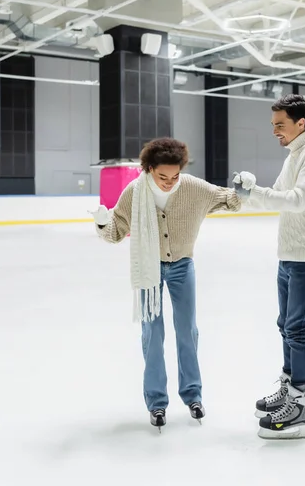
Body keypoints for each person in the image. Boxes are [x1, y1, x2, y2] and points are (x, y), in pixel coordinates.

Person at [90, 137, 241, 431]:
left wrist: (243, 189)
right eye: (163, 176)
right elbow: (115, 231)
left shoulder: (194, 188)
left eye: (175, 175)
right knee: (152, 333)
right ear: (147, 169)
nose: (170, 182)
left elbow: (228, 200)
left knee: (188, 331)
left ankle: (193, 396)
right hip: (149, 267)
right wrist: (100, 222)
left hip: (183, 266)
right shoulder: (134, 192)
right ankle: (157, 402)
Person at [233, 94, 305, 440]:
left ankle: (301, 404)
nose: (275, 130)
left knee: (298, 328)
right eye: (273, 124)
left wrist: (255, 193)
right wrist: (247, 193)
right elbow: (276, 192)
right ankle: (289, 387)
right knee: (285, 326)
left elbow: (297, 199)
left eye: (280, 124)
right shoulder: (294, 154)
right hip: (289, 254)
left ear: (300, 123)